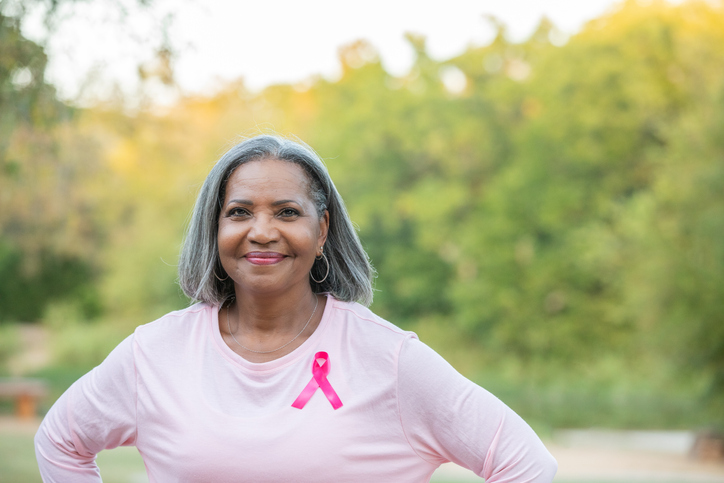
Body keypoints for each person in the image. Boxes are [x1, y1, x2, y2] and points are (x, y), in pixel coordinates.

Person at [35, 134, 557, 482]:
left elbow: (525, 463)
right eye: (239, 212)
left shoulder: (387, 359)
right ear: (215, 228)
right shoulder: (155, 353)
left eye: (287, 212)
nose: (262, 231)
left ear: (322, 228)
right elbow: (60, 442)